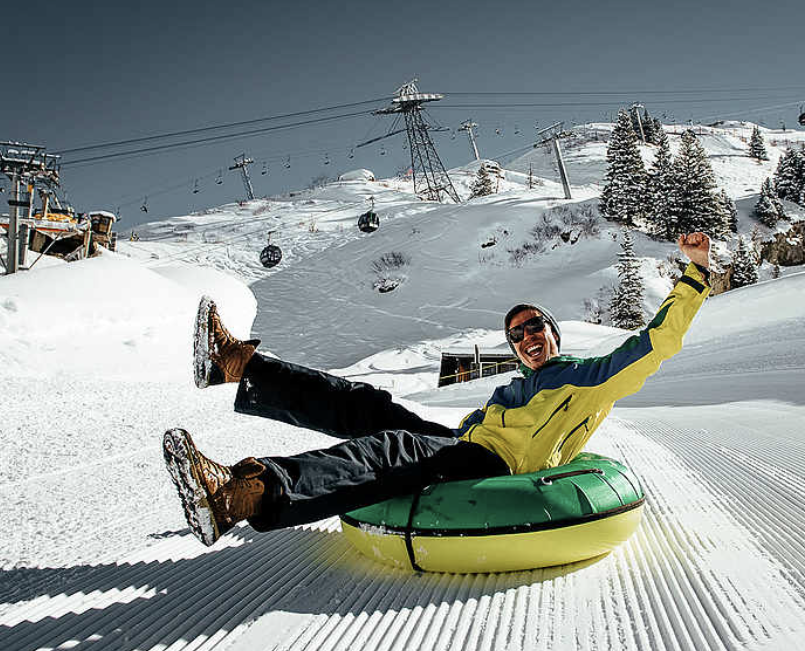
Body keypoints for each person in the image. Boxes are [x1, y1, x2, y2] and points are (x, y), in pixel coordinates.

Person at [164, 232, 712, 546]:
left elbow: (656, 343)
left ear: (553, 332)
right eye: (516, 334)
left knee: (392, 449)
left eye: (534, 326)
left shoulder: (585, 379)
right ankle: (235, 364)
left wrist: (695, 275)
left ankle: (243, 493)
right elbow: (468, 428)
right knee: (367, 406)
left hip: (496, 468)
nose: (525, 337)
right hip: (465, 446)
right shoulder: (515, 390)